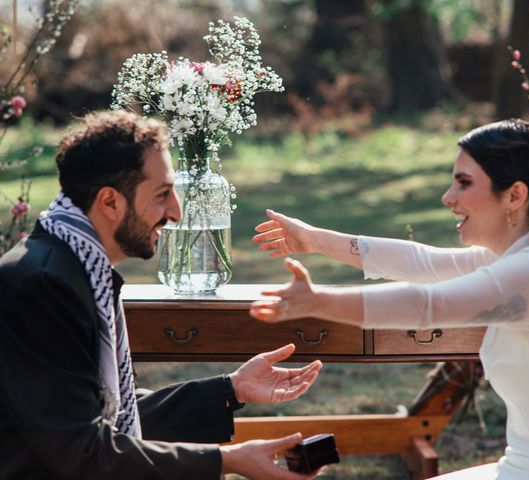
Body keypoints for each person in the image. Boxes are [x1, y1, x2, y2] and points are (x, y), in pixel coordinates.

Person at [250, 119, 529, 479]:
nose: (447, 197)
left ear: (515, 195)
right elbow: (423, 262)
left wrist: (318, 301)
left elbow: (426, 305)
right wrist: (312, 239)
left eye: (464, 183)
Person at [0, 110, 323, 480]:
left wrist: (231, 390)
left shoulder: (71, 265)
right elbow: (83, 449)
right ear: (109, 202)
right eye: (163, 194)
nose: (175, 212)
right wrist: (225, 461)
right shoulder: (43, 286)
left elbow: (111, 414)